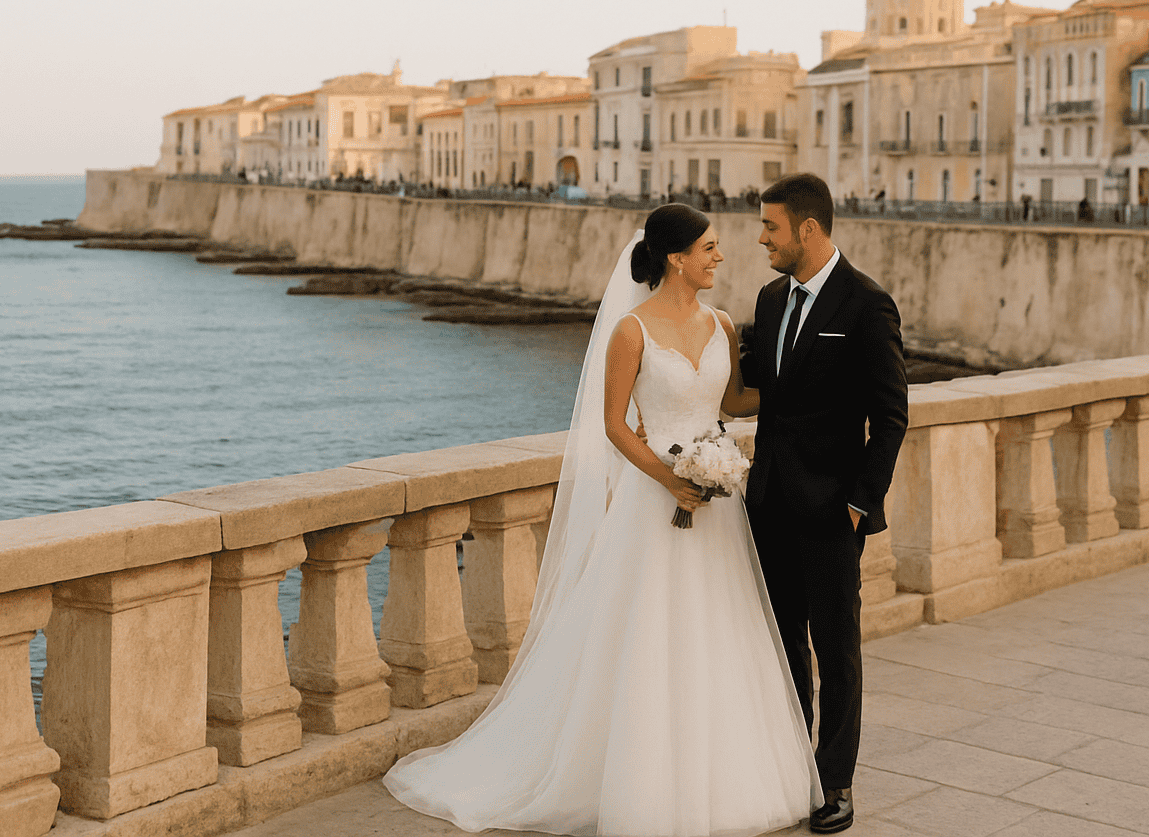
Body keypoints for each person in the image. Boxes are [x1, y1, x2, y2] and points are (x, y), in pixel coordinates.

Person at [384, 203, 821, 835]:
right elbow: (614, 426)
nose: (720, 257)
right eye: (709, 248)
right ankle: (644, 782)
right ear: (676, 258)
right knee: (649, 637)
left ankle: (726, 776)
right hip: (656, 502)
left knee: (719, 629)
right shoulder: (630, 332)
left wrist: (794, 399)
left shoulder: (724, 324)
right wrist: (673, 477)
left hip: (718, 511)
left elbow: (730, 401)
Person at [742, 173, 909, 835]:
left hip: (833, 511)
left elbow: (890, 416)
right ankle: (791, 767)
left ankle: (835, 780)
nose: (762, 239)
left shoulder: (867, 305)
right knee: (782, 643)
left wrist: (860, 505)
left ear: (808, 229)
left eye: (770, 227)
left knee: (836, 648)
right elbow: (755, 390)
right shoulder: (768, 298)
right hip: (770, 505)